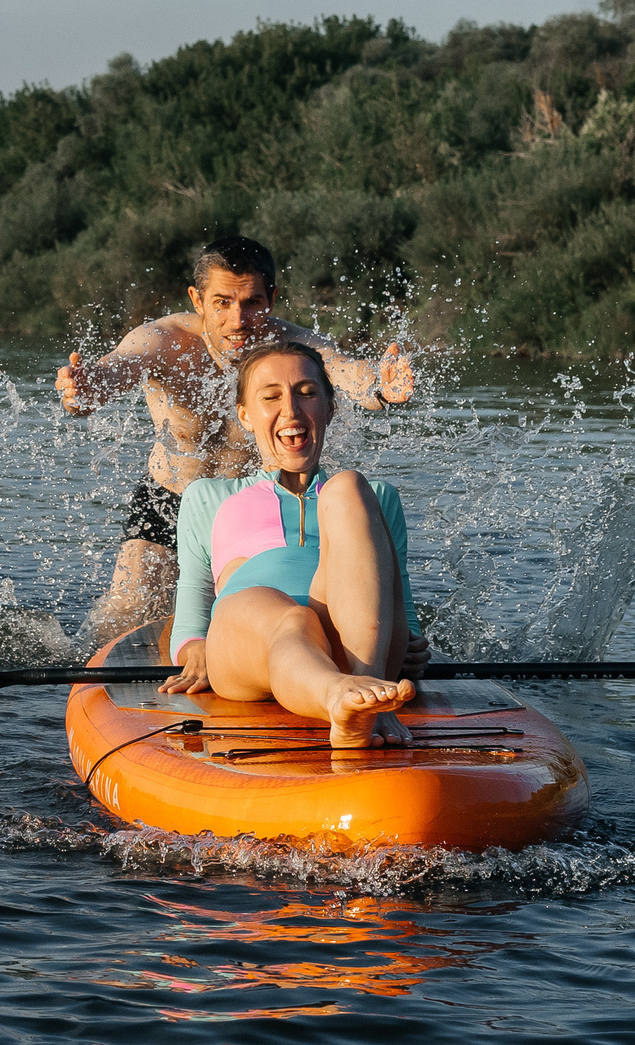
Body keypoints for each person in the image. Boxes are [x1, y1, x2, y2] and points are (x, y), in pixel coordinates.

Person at [53, 235, 416, 645]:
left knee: (267, 606)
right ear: (197, 299)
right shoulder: (164, 341)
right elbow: (111, 374)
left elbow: (346, 372)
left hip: (252, 507)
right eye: (222, 302)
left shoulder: (290, 347)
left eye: (252, 303)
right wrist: (84, 390)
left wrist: (382, 387)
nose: (237, 319)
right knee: (125, 609)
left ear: (272, 299)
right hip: (168, 500)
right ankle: (80, 673)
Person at [169, 338, 420, 746]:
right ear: (245, 416)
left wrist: (413, 646)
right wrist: (193, 647)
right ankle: (344, 697)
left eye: (306, 393)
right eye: (271, 397)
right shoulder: (208, 496)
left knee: (348, 484)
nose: (291, 409)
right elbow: (193, 597)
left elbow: (401, 605)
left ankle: (360, 693)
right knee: (294, 620)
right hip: (250, 644)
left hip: (357, 644)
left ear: (330, 408)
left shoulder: (374, 496)